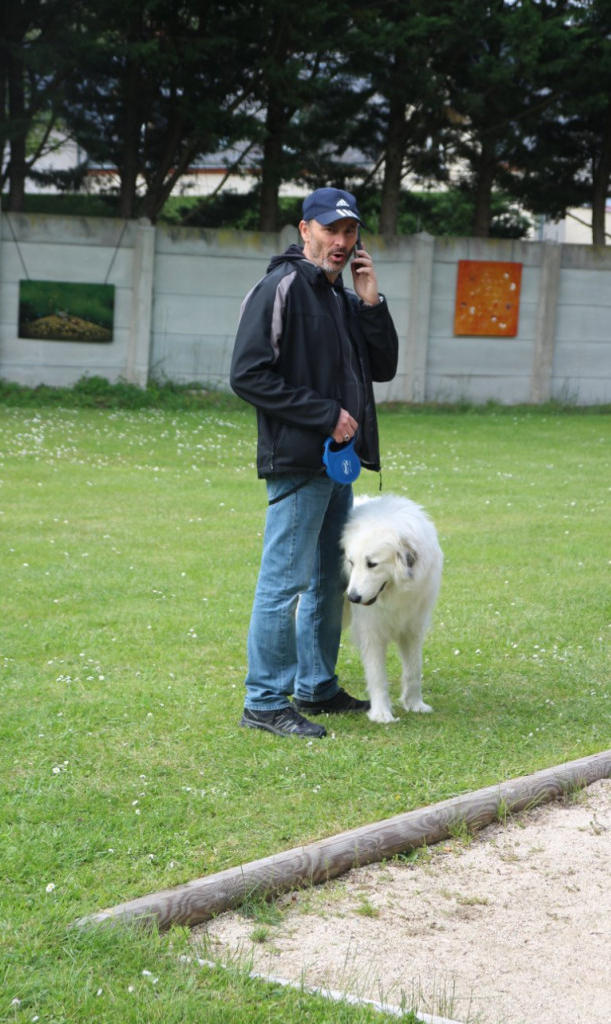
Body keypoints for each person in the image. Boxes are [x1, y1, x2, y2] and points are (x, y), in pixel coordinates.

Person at [229, 187, 399, 736]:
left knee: (330, 578)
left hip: (336, 463)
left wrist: (371, 302)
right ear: (305, 230)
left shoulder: (341, 297)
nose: (341, 242)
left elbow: (384, 367)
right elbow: (248, 375)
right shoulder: (280, 287)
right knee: (284, 583)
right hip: (299, 460)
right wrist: (325, 415)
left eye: (350, 232)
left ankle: (316, 686)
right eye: (331, 230)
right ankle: (264, 701)